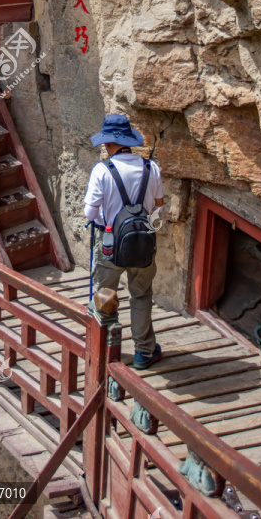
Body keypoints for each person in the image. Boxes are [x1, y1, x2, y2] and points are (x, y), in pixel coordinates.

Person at [84, 113, 164, 370]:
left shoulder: (102, 170)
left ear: (108, 144)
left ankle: (106, 346)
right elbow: (158, 207)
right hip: (143, 242)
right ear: (129, 141)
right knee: (141, 295)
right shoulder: (152, 168)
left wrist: (104, 219)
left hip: (109, 243)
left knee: (106, 293)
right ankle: (144, 351)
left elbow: (89, 213)